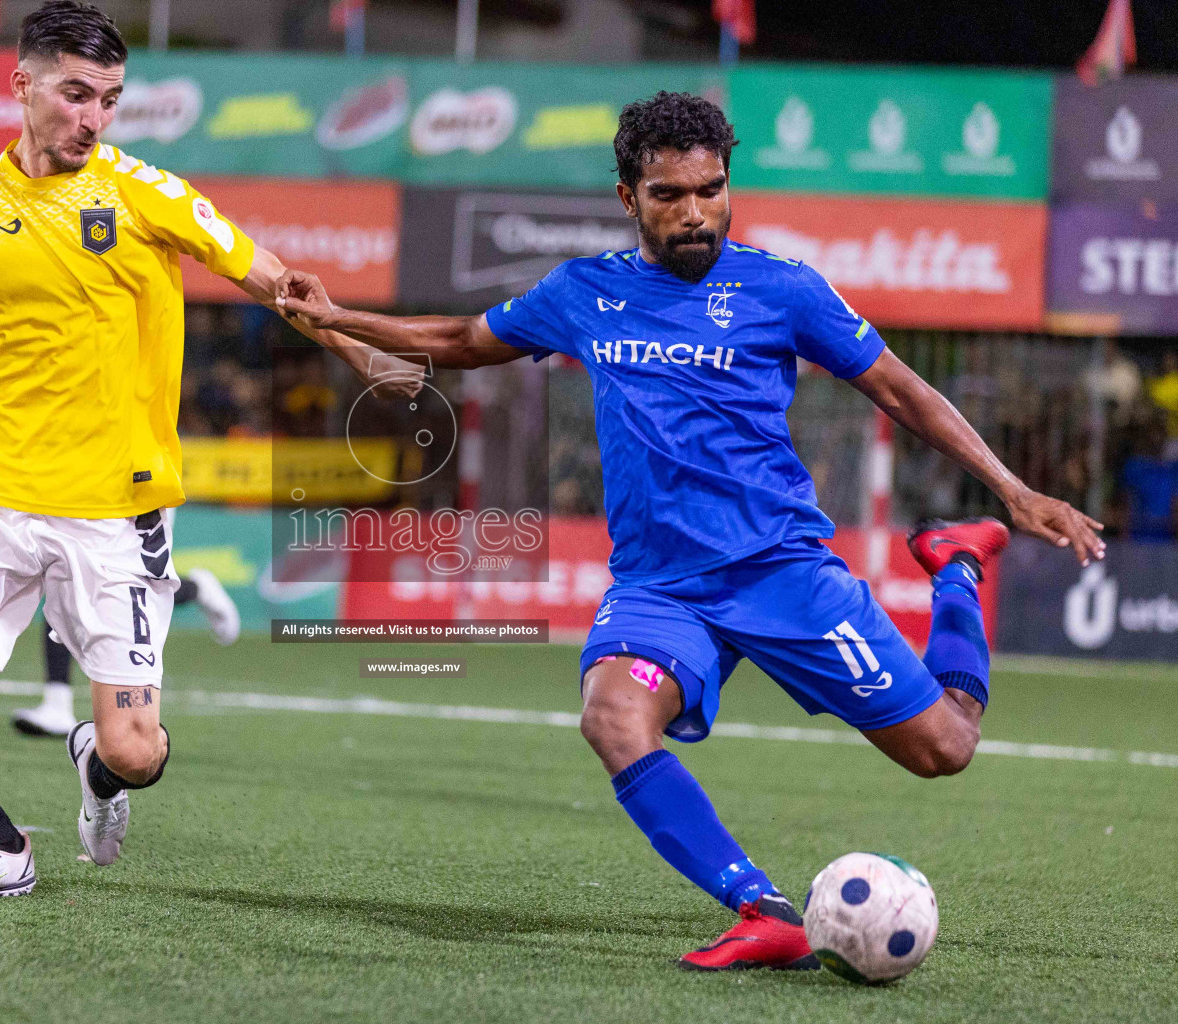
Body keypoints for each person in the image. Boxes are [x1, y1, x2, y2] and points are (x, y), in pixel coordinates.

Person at [276, 91, 1104, 970]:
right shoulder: (584, 292)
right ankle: (764, 908)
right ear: (630, 197)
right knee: (613, 716)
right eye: (670, 195)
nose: (696, 212)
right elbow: (461, 337)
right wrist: (339, 317)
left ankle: (955, 570)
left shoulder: (783, 289)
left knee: (946, 749)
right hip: (659, 587)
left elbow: (902, 390)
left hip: (779, 571)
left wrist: (1013, 492)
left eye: (710, 189)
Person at [0, 0, 419, 897]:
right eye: (76, 95)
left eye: (110, 99)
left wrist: (356, 346)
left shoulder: (142, 193)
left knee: (137, 750)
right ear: (24, 86)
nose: (93, 118)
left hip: (115, 511)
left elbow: (273, 278)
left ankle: (99, 770)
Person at [13, 561, 239, 737]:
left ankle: (194, 588)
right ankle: (57, 703)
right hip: (84, 505)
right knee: (66, 578)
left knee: (128, 591)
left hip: (135, 508)